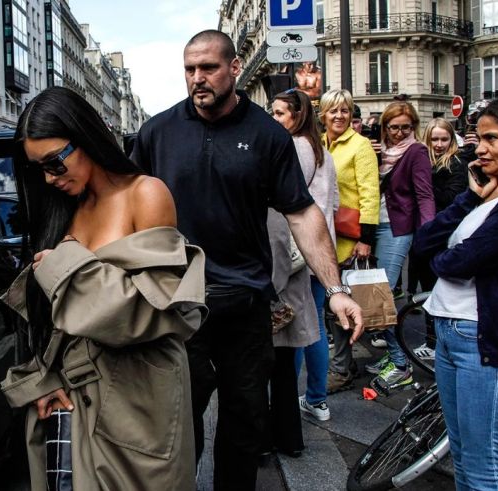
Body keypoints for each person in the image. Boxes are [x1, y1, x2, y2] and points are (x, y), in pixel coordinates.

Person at [131, 30, 364, 489]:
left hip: (245, 304)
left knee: (244, 422)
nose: (198, 79)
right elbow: (125, 204)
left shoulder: (266, 134)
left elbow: (301, 212)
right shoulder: (157, 132)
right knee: (177, 423)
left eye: (209, 68)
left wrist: (335, 290)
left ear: (235, 68)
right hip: (176, 306)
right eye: (190, 69)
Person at [0, 86, 207, 490]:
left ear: (87, 136)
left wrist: (64, 266)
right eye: (38, 169)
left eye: (55, 163)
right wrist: (42, 381)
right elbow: (49, 317)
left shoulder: (145, 193)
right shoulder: (62, 209)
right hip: (72, 394)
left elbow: (159, 311)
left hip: (139, 397)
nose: (49, 178)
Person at [413, 94, 498, 490]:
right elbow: (424, 244)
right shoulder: (487, 196)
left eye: (493, 139)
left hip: (486, 344)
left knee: (484, 468)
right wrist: (470, 198)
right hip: (453, 335)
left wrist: (447, 256)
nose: (481, 148)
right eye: (478, 138)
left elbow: (456, 262)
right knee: (462, 459)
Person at [271, 89, 339, 421]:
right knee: (316, 327)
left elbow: (285, 201)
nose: (274, 119)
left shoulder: (294, 148)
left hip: (299, 251)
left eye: (280, 113)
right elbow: (334, 203)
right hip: (319, 248)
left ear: (297, 116)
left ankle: (289, 402)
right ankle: (317, 398)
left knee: (295, 330)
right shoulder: (322, 150)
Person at [363, 101, 435, 392]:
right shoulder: (381, 151)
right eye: (394, 127)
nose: (399, 133)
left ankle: (400, 364)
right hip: (375, 225)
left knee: (381, 296)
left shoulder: (416, 151)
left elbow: (424, 194)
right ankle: (395, 357)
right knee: (377, 293)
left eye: (406, 127)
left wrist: (428, 231)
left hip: (397, 227)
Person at [319, 89, 380, 393]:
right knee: (332, 305)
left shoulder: (360, 146)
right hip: (325, 235)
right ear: (323, 114)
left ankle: (341, 369)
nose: (340, 116)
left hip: (348, 238)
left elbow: (370, 194)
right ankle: (346, 364)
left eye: (345, 111)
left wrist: (366, 239)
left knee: (340, 305)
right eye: (334, 111)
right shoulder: (319, 143)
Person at [406, 118, 470, 357]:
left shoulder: (456, 163)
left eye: (444, 139)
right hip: (426, 233)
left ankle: (436, 344)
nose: (440, 144)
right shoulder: (424, 160)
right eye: (435, 139)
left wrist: (424, 189)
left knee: (438, 291)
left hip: (444, 235)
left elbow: (452, 197)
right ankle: (432, 341)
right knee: (427, 291)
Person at [265, 208, 318, 457]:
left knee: (263, 375)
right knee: (284, 374)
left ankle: (266, 442)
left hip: (278, 304)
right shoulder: (295, 207)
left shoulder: (272, 212)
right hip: (291, 301)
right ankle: (289, 440)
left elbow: (277, 266)